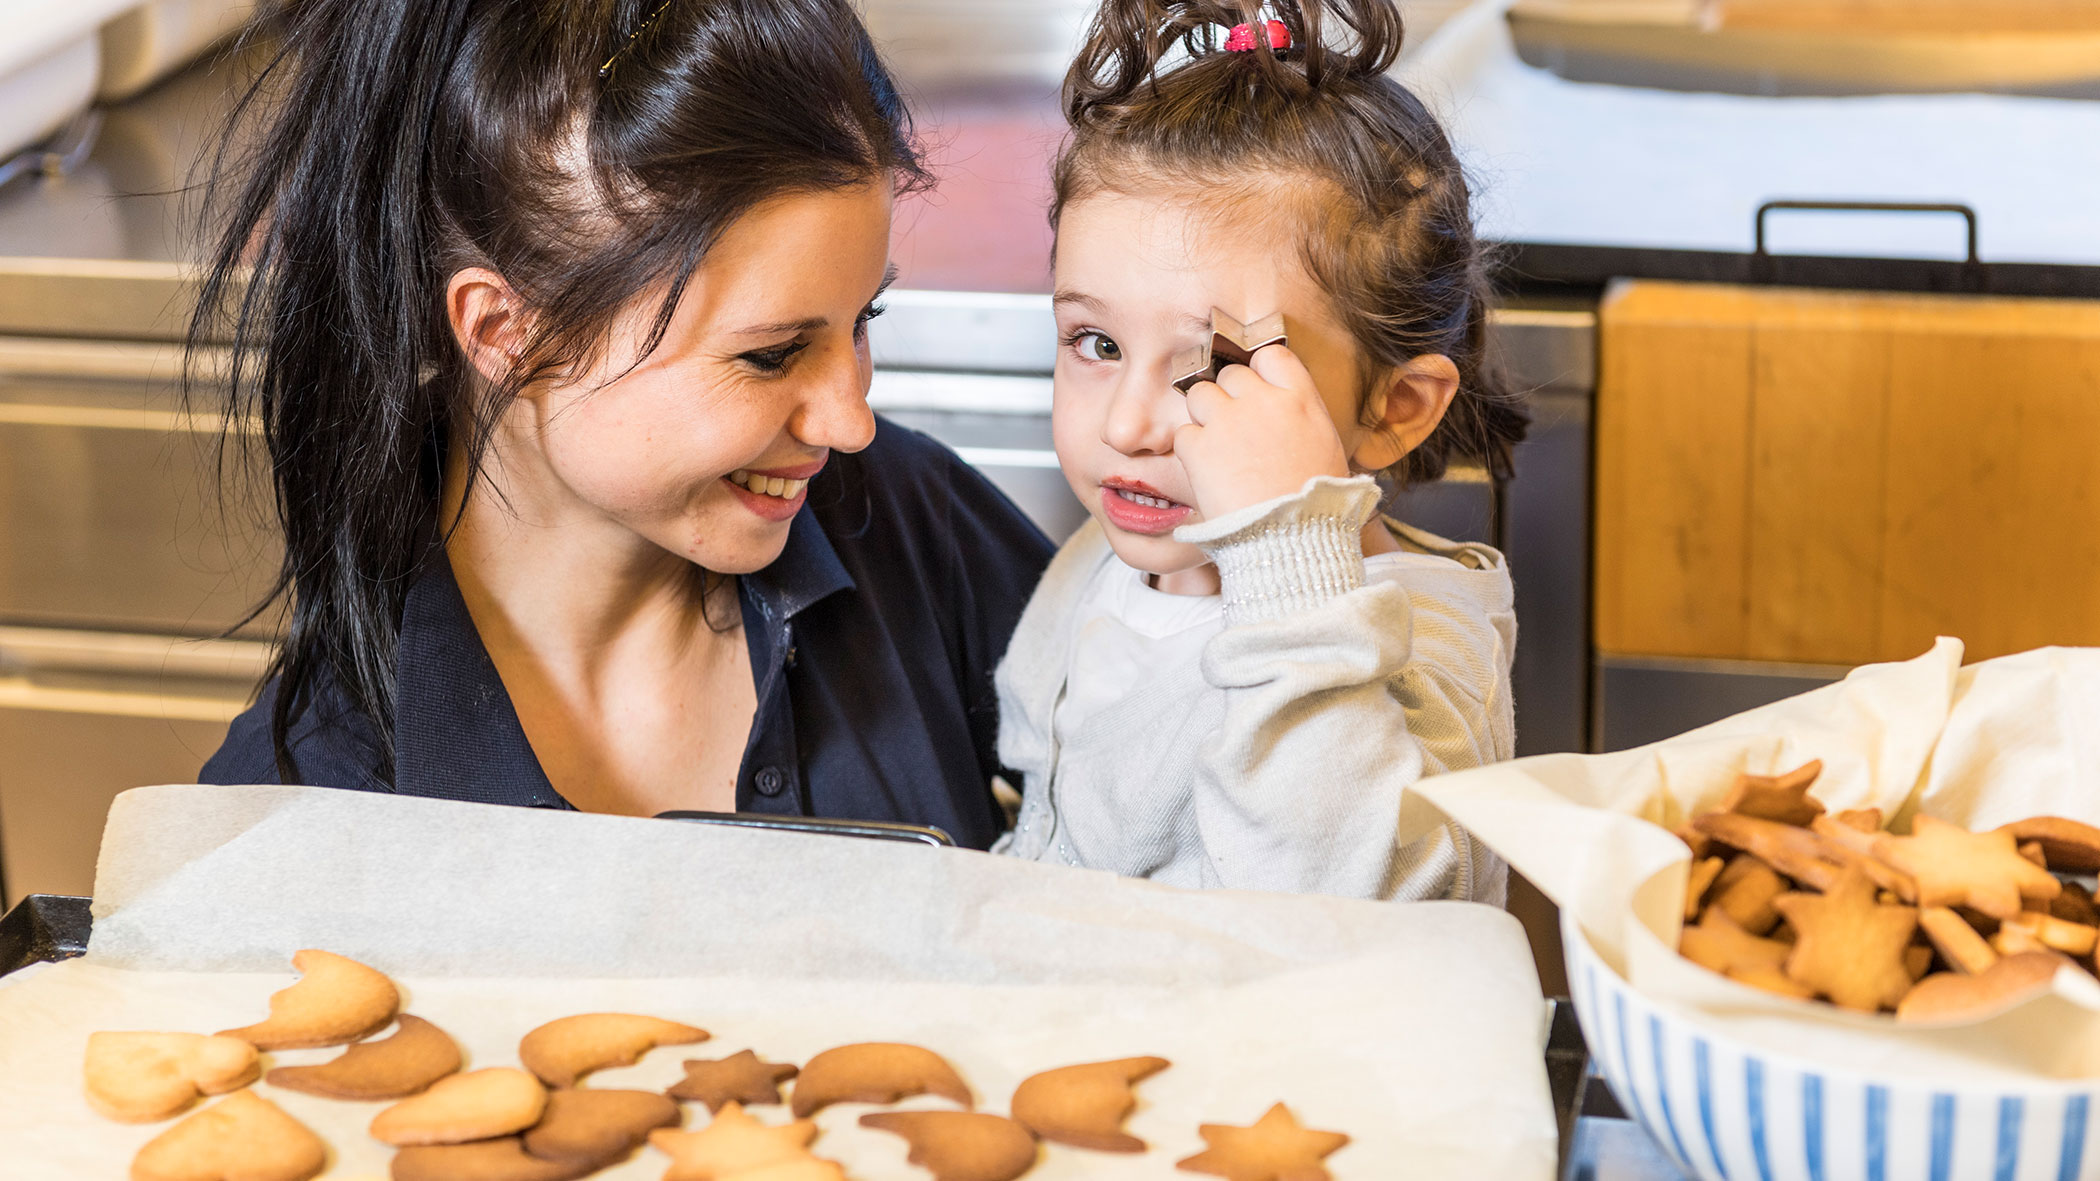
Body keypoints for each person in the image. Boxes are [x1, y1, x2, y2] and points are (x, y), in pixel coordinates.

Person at [192, 0, 1053, 849]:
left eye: (863, 318)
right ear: (504, 332)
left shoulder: (906, 521)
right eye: (771, 354)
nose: (850, 421)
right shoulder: (312, 806)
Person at [992, 0, 1530, 899]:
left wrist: (1284, 555)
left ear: (1394, 406)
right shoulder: (1109, 554)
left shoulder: (1431, 660)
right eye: (1096, 343)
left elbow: (1338, 907)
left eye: (1215, 365)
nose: (1127, 426)